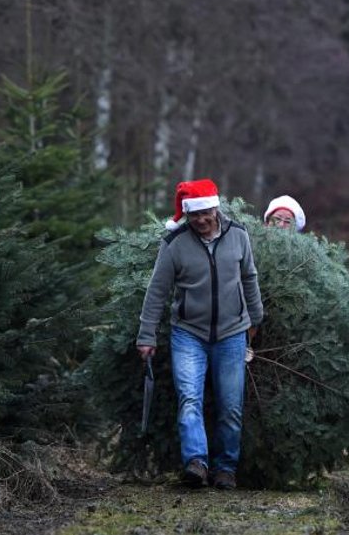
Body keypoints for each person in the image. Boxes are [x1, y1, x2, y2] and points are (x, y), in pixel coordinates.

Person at [136, 178, 263, 490]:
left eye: (206, 213)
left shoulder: (238, 235)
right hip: (188, 334)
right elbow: (157, 290)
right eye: (194, 215)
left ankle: (225, 469)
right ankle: (196, 463)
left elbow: (249, 277)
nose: (201, 220)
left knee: (230, 406)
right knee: (189, 399)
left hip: (232, 333)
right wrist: (146, 335)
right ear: (187, 215)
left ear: (215, 209)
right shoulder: (174, 243)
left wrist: (256, 318)